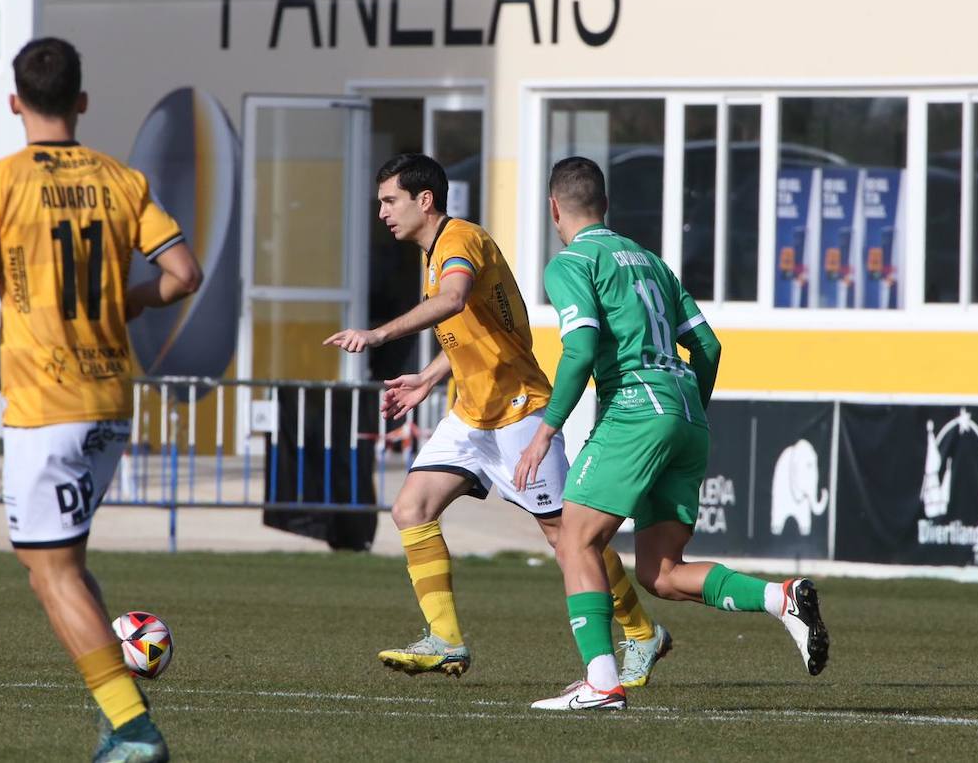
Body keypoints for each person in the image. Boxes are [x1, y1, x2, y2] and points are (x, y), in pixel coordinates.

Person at [0, 37, 202, 761]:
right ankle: (117, 713)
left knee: (46, 568)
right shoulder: (123, 180)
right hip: (113, 395)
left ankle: (132, 727)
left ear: (15, 103)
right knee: (68, 560)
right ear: (81, 101)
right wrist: (129, 301)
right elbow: (184, 272)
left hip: (45, 400)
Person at [324, 153, 670, 687]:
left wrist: (377, 336)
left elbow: (454, 298)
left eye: (390, 201)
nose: (383, 213)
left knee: (568, 539)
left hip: (518, 410)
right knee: (411, 507)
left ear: (425, 200)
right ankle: (445, 640)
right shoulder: (435, 248)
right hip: (471, 412)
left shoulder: (459, 240)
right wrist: (430, 376)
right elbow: (472, 324)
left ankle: (642, 632)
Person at [515, 156, 829, 712]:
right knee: (661, 574)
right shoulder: (653, 263)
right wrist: (685, 412)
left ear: (554, 208)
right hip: (685, 411)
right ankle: (781, 599)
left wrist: (547, 429)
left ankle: (602, 682)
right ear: (606, 206)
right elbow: (709, 348)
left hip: (638, 407)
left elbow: (581, 349)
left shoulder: (572, 262)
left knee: (576, 539)